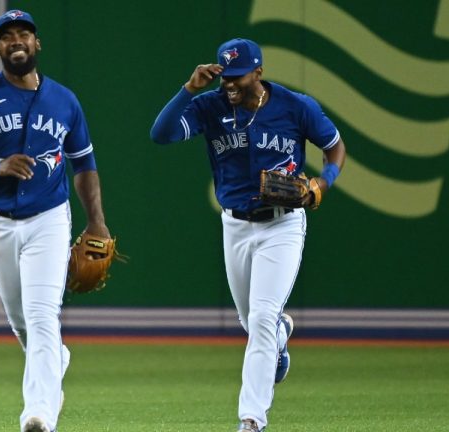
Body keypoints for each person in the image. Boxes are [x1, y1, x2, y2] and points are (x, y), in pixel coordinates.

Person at [150, 38, 346, 432]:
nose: (231, 86)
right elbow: (162, 134)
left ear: (259, 72)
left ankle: (251, 419)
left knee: (259, 318)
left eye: (238, 78)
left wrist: (322, 184)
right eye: (226, 78)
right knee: (251, 320)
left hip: (282, 224)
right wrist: (189, 89)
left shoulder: (296, 106)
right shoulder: (211, 106)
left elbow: (335, 148)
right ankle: (279, 335)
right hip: (235, 225)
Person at [0, 10, 111, 432]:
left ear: (37, 44)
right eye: (7, 35)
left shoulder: (65, 100)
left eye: (24, 34)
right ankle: (55, 362)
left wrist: (97, 223)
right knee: (21, 321)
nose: (16, 40)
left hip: (49, 218)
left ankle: (39, 414)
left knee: (41, 313)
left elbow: (84, 165)